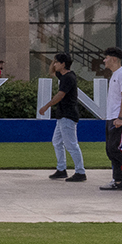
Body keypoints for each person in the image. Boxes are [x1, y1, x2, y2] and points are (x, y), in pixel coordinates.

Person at [36, 51, 85, 182]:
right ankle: (61, 169)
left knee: (71, 144)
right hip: (62, 115)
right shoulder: (63, 75)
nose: (55, 64)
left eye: (57, 62)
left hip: (68, 115)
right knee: (57, 142)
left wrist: (46, 106)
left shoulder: (69, 78)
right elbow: (51, 71)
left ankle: (80, 171)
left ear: (63, 64)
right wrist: (55, 60)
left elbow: (60, 95)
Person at [96, 47, 122, 191]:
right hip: (112, 117)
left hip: (120, 117)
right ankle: (117, 181)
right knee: (110, 150)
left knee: (115, 148)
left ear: (114, 59)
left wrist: (120, 117)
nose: (104, 60)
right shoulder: (115, 74)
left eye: (106, 57)